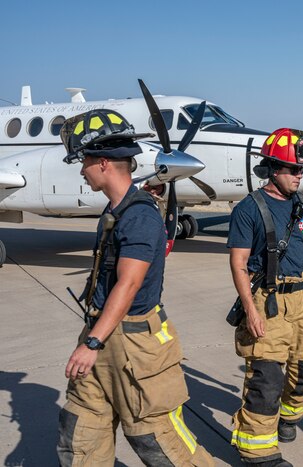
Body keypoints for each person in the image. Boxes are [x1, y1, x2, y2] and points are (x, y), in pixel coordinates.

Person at [56, 110, 214, 466]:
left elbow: (129, 283)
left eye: (84, 161)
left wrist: (92, 343)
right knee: (80, 433)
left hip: (134, 346)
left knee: (157, 442)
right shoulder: (117, 209)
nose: (82, 170)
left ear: (103, 163)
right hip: (101, 332)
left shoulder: (138, 215)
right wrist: (92, 339)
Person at [228, 128, 303, 467]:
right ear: (273, 168)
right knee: (267, 379)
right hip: (268, 300)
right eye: (294, 169)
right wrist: (250, 310)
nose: (299, 175)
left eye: (302, 170)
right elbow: (238, 263)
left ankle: (288, 417)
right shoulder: (248, 209)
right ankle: (258, 452)